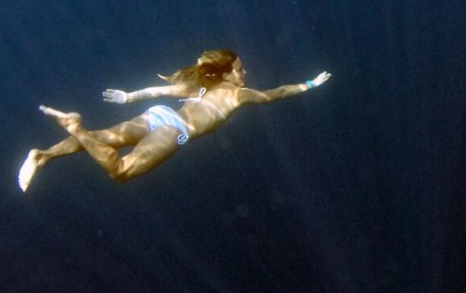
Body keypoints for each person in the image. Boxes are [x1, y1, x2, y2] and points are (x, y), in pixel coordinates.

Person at [18, 49, 330, 191]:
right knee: (120, 172)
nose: (243, 73)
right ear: (226, 74)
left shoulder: (205, 84)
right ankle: (76, 128)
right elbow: (276, 94)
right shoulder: (239, 94)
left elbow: (164, 90)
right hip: (176, 130)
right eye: (239, 69)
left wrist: (129, 98)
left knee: (101, 139)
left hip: (159, 116)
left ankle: (42, 155)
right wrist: (311, 84)